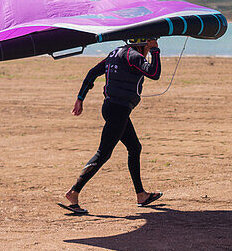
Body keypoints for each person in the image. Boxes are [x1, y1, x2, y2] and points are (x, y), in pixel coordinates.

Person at [60, 38, 165, 215]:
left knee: (134, 147)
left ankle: (141, 195)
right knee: (103, 153)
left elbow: (92, 72)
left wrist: (80, 98)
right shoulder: (134, 56)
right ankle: (73, 192)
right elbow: (154, 73)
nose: (148, 48)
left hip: (111, 108)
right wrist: (156, 50)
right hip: (119, 110)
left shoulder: (115, 53)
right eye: (147, 45)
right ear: (141, 43)